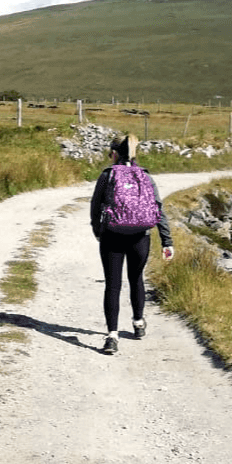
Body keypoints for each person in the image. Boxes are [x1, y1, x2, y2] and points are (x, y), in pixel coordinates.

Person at [89, 133, 173, 355]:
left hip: (112, 236)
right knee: (136, 279)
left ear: (114, 153)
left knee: (113, 285)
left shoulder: (107, 175)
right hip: (140, 236)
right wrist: (167, 240)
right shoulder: (145, 176)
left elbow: (95, 206)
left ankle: (112, 336)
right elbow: (158, 209)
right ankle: (138, 323)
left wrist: (98, 232)